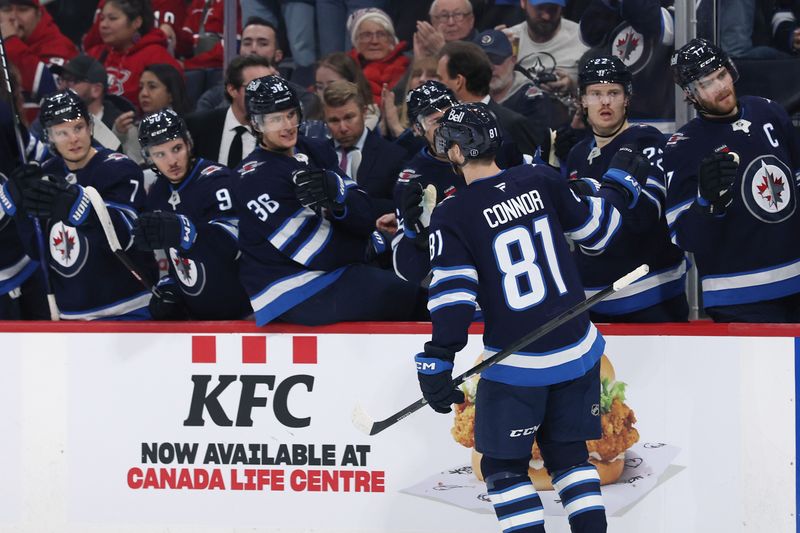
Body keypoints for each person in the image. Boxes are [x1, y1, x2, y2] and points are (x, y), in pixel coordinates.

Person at [416, 102, 620, 533]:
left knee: (504, 468)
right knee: (569, 457)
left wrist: (438, 356)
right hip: (579, 350)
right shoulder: (540, 178)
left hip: (518, 367)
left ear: (455, 152)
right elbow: (597, 234)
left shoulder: (452, 212)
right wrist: (607, 189)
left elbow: (453, 297)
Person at [232, 74, 427, 325]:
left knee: (410, 269)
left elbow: (365, 213)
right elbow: (317, 250)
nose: (287, 125)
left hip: (332, 271)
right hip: (289, 289)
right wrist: (373, 244)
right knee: (401, 291)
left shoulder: (313, 148)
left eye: (291, 114)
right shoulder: (252, 179)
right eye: (274, 119)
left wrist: (340, 196)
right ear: (256, 125)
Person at [664, 38, 800, 322]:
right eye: (708, 83)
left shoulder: (769, 111)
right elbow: (684, 237)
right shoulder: (683, 147)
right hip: (739, 296)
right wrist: (706, 203)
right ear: (690, 94)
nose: (722, 87)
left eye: (722, 75)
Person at [0, 90, 156, 320]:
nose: (73, 138)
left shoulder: (119, 168)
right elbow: (36, 250)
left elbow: (127, 234)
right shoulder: (47, 174)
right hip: (71, 317)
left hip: (129, 308)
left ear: (90, 126)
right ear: (48, 137)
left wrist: (79, 206)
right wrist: (21, 208)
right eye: (61, 132)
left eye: (78, 127)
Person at [564, 56, 687, 322]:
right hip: (591, 301)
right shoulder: (577, 154)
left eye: (613, 93)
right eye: (595, 94)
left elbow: (644, 217)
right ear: (582, 100)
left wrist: (590, 191)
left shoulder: (646, 140)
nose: (605, 101)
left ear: (627, 98)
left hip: (650, 297)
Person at [133, 109, 251, 320]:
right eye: (160, 154)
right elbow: (174, 259)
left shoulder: (216, 180)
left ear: (188, 143)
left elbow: (235, 242)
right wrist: (170, 288)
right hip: (197, 317)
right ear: (148, 158)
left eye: (176, 148)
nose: (172, 161)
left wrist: (184, 230)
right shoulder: (158, 192)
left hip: (243, 315)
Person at [437, 40, 544, 155]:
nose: (437, 84)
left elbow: (532, 170)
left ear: (458, 81)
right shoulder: (440, 123)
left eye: (440, 78)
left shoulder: (511, 124)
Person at [322, 80, 405, 219]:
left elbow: (399, 206)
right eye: (334, 120)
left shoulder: (393, 155)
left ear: (364, 112)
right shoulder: (317, 154)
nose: (343, 128)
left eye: (349, 117)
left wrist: (348, 205)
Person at [85, 0, 183, 108]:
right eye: (102, 18)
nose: (103, 25)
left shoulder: (157, 56)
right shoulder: (95, 53)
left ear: (136, 22)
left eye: (113, 18)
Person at [185, 55, 275, 167]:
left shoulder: (276, 132)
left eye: (270, 87)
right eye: (256, 87)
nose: (265, 95)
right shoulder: (198, 126)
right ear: (232, 90)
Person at [476, 28, 570, 131]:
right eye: (482, 62)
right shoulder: (466, 97)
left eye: (496, 60)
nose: (490, 67)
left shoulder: (533, 100)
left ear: (513, 60)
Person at [45, 54, 135, 152]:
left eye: (71, 80)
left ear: (96, 90)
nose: (62, 86)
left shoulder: (122, 125)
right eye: (62, 79)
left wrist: (118, 135)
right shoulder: (49, 118)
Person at [504, 0, 589, 96]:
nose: (546, 16)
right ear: (523, 2)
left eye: (553, 9)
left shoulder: (582, 39)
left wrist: (572, 86)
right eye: (539, 8)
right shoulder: (509, 39)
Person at [113, 63, 190, 165]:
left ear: (171, 94)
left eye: (152, 87)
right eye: (141, 88)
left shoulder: (184, 128)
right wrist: (118, 134)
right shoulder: (132, 129)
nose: (144, 93)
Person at [0, 0, 76, 101]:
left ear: (39, 13)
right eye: (7, 10)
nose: (13, 17)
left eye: (23, 10)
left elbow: (54, 92)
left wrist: (11, 41)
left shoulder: (59, 45)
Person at [346, 8, 409, 105]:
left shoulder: (408, 69)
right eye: (367, 35)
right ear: (356, 41)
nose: (374, 41)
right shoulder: (344, 70)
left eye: (381, 34)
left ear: (391, 40)